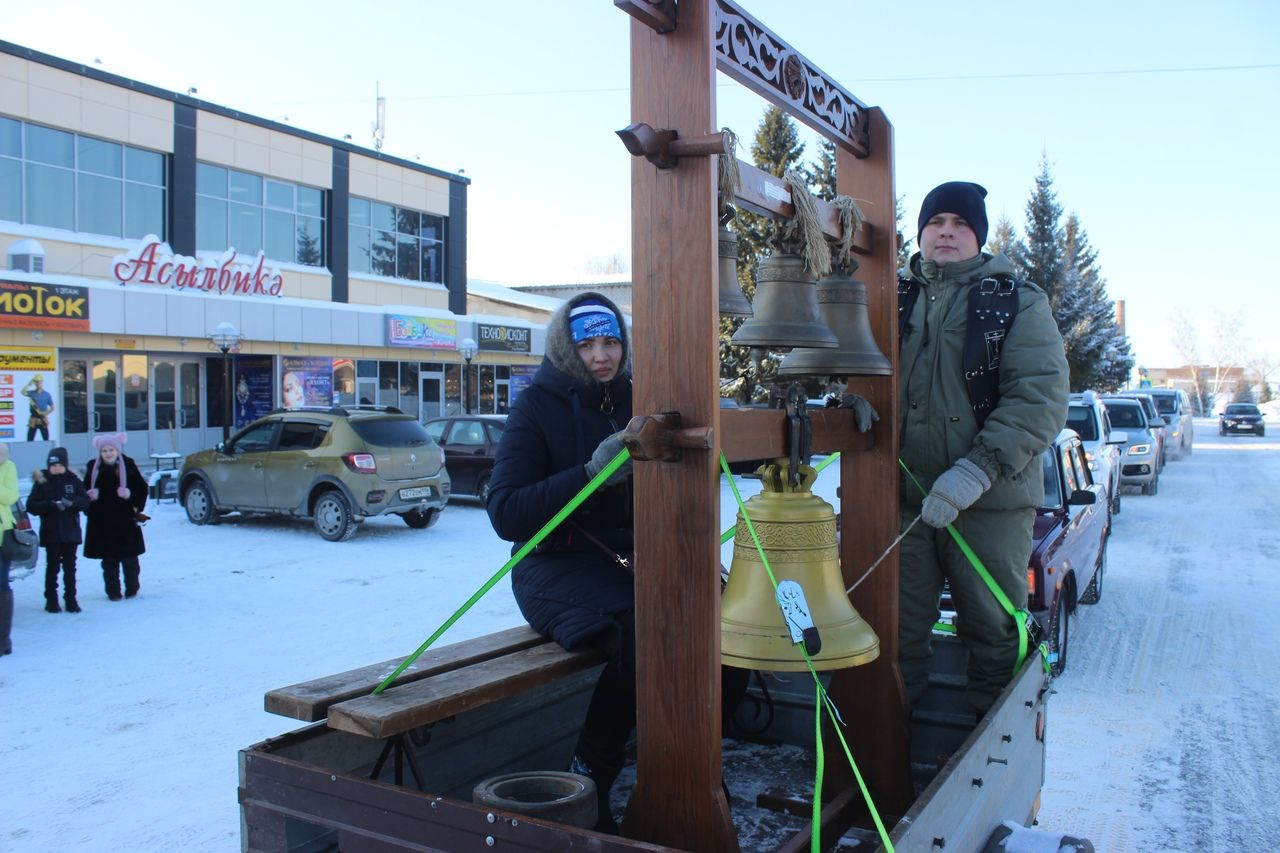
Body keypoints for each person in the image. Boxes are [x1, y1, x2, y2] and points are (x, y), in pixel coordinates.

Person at [486, 292, 746, 832]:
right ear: (565, 348)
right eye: (587, 345)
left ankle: (692, 762)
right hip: (550, 565)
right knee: (636, 631)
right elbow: (506, 513)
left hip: (625, 561)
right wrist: (588, 472)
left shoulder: (638, 397)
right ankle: (589, 778)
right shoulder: (536, 406)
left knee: (729, 626)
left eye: (611, 342)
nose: (602, 355)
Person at [896, 181, 1069, 715]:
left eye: (960, 224)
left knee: (994, 635)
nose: (946, 232)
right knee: (892, 635)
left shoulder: (1017, 301)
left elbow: (1038, 397)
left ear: (979, 236)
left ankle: (989, 768)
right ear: (921, 233)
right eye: (935, 222)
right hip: (905, 503)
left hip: (989, 505)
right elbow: (861, 371)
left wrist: (977, 469)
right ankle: (884, 770)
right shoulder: (890, 297)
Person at [83, 433, 149, 601]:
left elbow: (141, 488)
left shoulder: (128, 465)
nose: (108, 453)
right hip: (102, 522)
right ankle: (113, 592)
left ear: (117, 450)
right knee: (109, 560)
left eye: (111, 450)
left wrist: (133, 501)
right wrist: (90, 502)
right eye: (104, 450)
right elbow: (84, 491)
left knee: (130, 560)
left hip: (125, 519)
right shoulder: (94, 468)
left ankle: (132, 588)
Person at [27, 447, 91, 613]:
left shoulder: (73, 480)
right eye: (53, 465)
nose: (56, 468)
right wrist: (50, 505)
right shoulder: (42, 482)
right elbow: (31, 505)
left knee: (70, 567)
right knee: (52, 567)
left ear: (65, 465)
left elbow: (85, 501)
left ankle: (71, 599)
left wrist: (73, 502)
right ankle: (51, 600)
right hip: (51, 533)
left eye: (59, 465)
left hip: (71, 532)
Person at [0, 443, 18, 655]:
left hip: (2, 536)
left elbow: (10, 497)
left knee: (2, 586)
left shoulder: (7, 465)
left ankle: (3, 639)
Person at [23, 374, 55, 441]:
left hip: (42, 419)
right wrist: (29, 384)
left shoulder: (47, 394)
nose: (38, 384)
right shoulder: (32, 393)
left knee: (46, 439)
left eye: (39, 382)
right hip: (33, 419)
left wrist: (45, 413)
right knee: (30, 439)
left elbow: (52, 408)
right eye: (36, 382)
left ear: (42, 382)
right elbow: (22, 392)